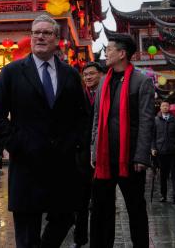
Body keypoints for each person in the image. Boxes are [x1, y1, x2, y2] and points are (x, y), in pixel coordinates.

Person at [0, 15, 89, 248]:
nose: (40, 37)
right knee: (26, 230)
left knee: (65, 218)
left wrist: (75, 144)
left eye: (46, 33)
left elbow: (82, 115)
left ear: (57, 40)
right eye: (36, 32)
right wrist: (17, 144)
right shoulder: (12, 72)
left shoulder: (70, 74)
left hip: (62, 163)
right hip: (27, 162)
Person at [90, 33, 154, 248]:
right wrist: (94, 150)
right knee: (100, 208)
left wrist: (141, 155)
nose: (105, 53)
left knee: (135, 208)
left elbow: (146, 121)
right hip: (104, 156)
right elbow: (97, 120)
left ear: (122, 53)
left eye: (109, 49)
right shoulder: (103, 83)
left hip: (130, 157)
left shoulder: (141, 81)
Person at [71, 62, 103, 248]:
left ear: (100, 75)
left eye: (92, 74)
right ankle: (79, 239)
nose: (88, 77)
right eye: (85, 75)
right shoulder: (79, 97)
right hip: (81, 155)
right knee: (80, 201)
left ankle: (98, 240)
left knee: (99, 201)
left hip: (101, 153)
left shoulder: (106, 94)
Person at [151, 101, 175, 205]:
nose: (165, 107)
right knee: (163, 175)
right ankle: (163, 195)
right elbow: (153, 136)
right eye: (163, 106)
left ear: (169, 107)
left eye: (167, 106)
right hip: (161, 151)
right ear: (160, 108)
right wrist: (153, 148)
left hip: (173, 151)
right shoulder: (156, 120)